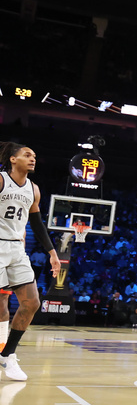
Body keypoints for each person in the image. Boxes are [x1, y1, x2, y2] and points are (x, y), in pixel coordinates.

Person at [0, 142, 60, 380]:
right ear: (13, 159)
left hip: (16, 247)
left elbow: (36, 223)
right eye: (27, 155)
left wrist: (52, 252)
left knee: (32, 302)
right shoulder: (2, 180)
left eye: (34, 155)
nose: (32, 158)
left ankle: (8, 355)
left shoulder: (33, 189)